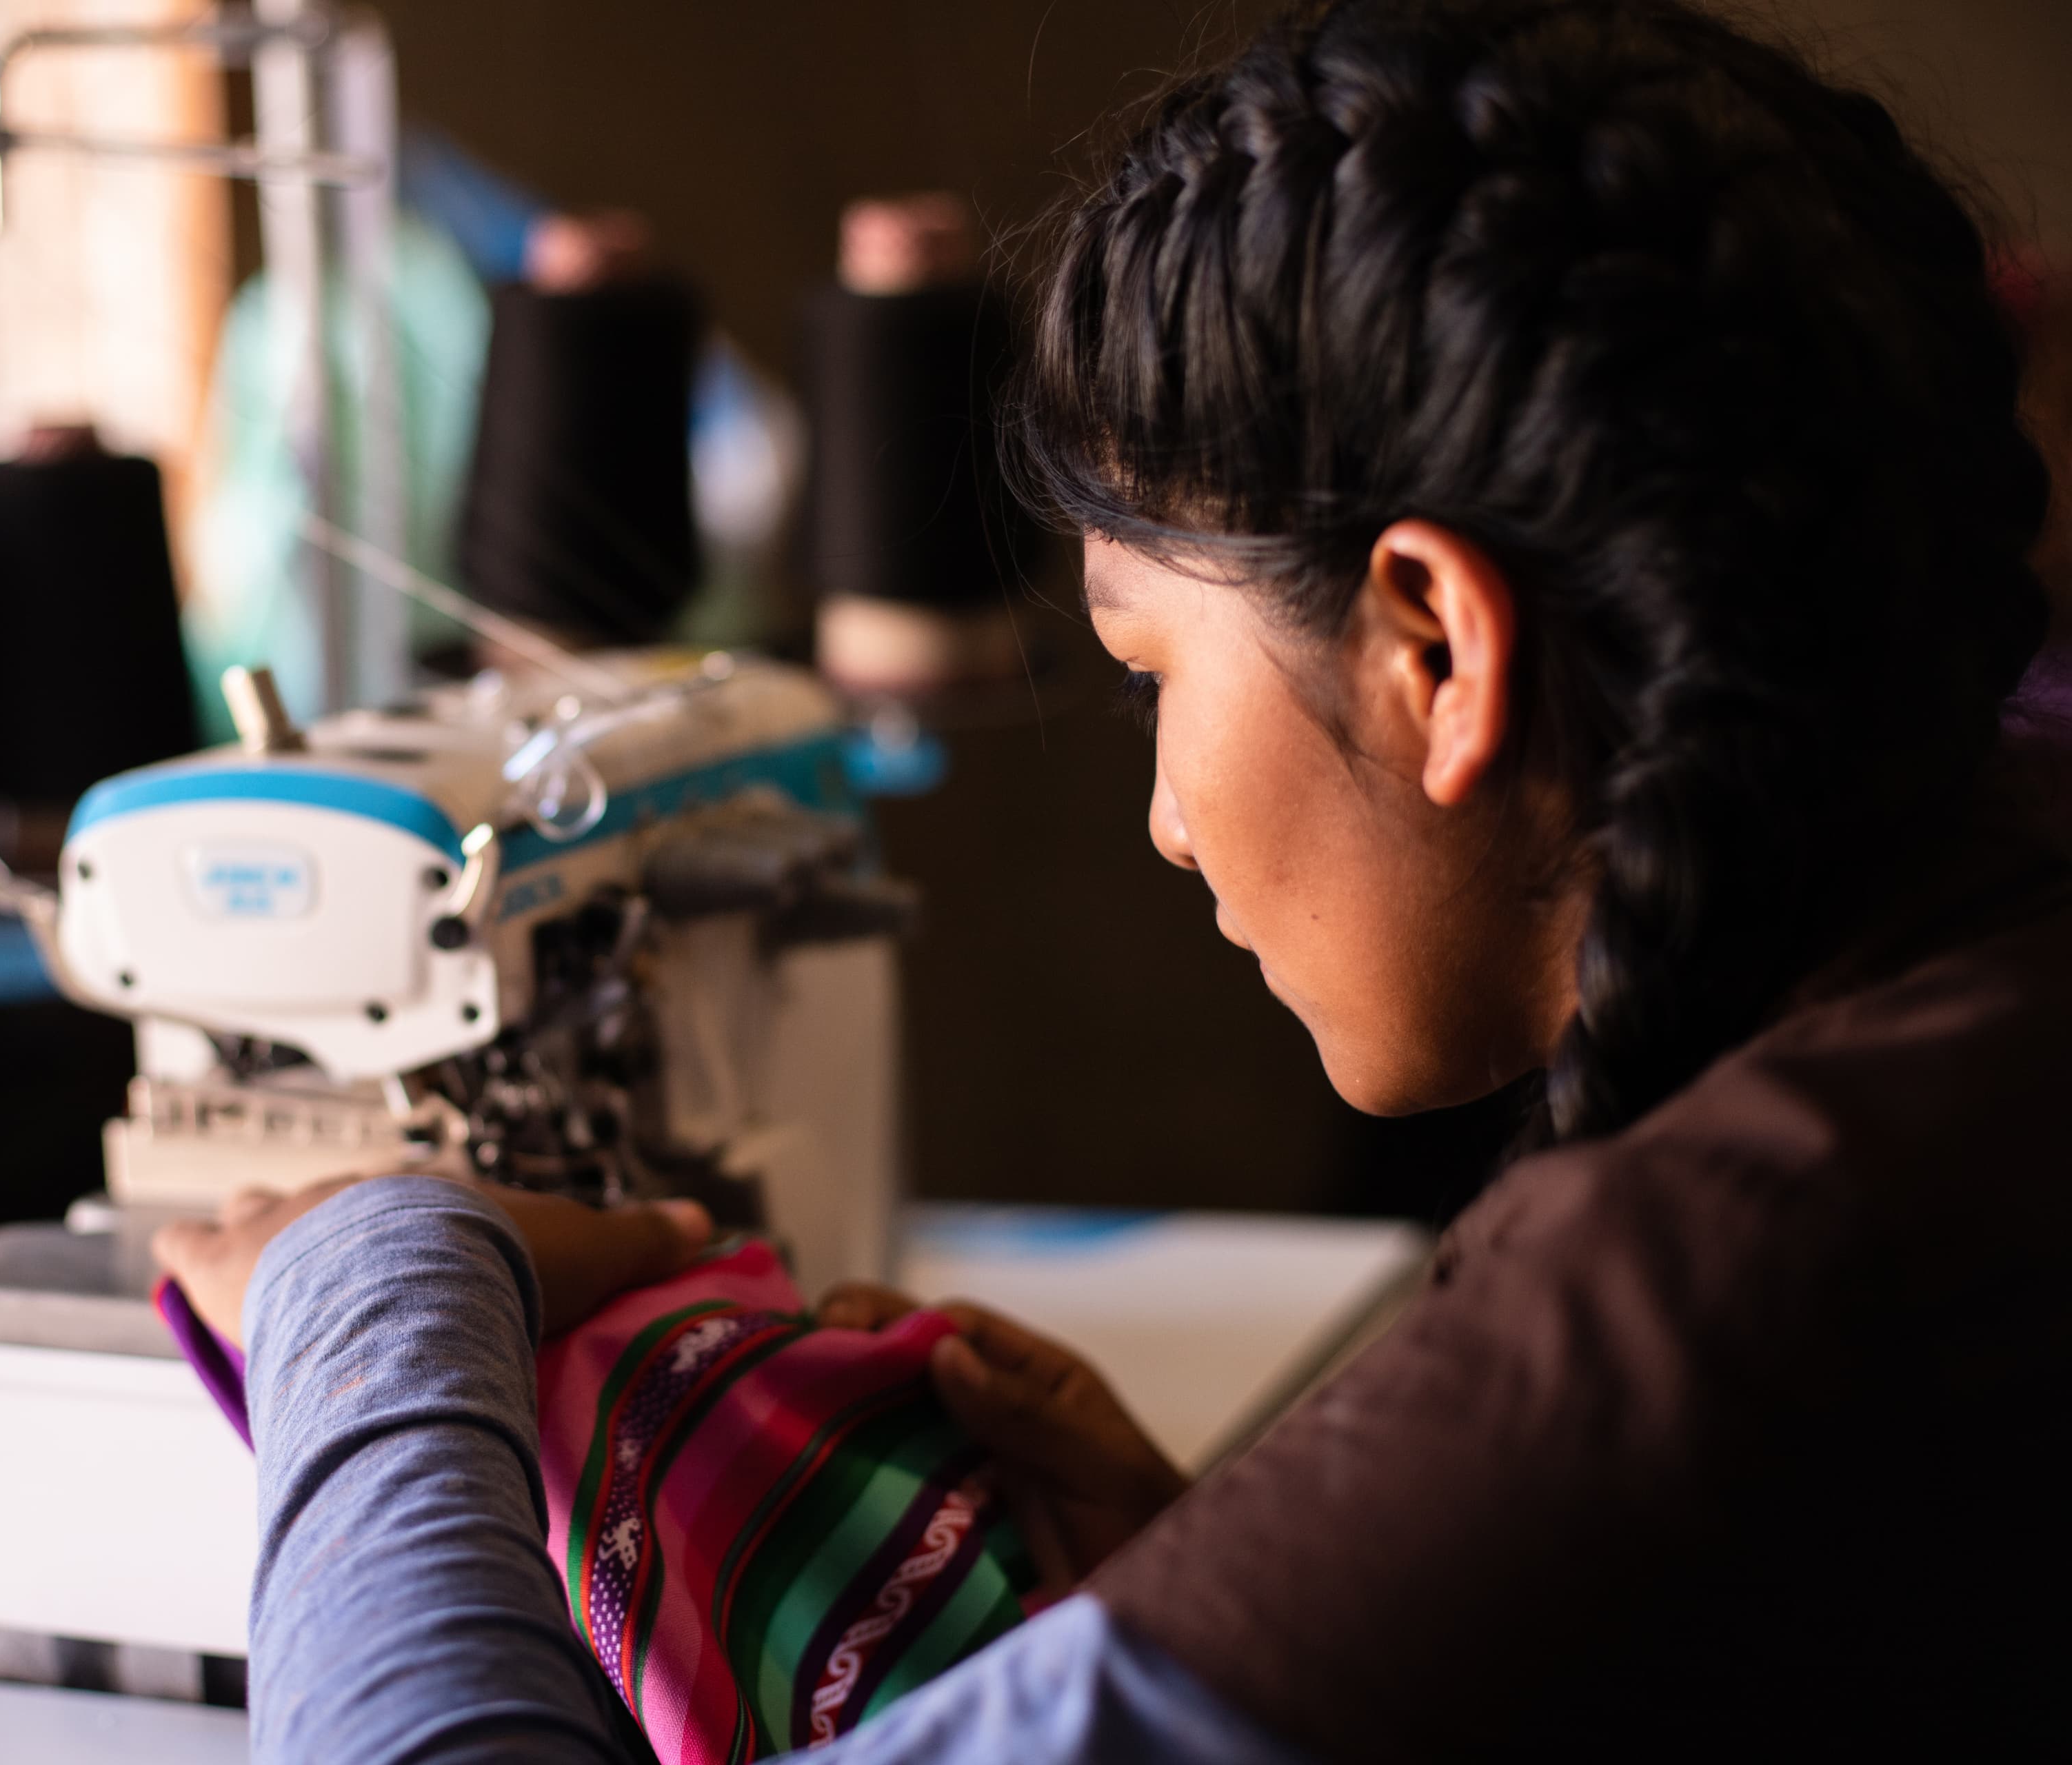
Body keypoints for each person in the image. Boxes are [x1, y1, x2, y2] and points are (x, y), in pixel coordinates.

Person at [154, 0, 2072, 1756]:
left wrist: (363, 1281)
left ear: (1433, 649)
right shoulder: (1961, 1006)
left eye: (1154, 666)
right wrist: (1244, 1610)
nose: (1164, 818)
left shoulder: (1675, 1329)